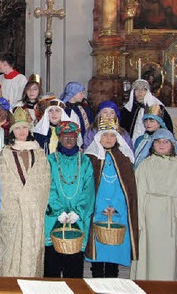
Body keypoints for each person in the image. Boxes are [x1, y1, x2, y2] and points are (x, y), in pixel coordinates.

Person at [0, 107, 50, 277]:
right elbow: (4, 181)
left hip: (33, 209)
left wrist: (31, 199)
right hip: (13, 207)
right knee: (11, 245)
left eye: (24, 127)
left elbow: (43, 181)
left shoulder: (39, 152)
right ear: (12, 131)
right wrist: (19, 198)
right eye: (17, 128)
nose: (21, 131)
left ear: (30, 129)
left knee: (32, 246)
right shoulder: (5, 153)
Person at [84, 119, 138, 278]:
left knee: (113, 256)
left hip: (117, 213)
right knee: (98, 256)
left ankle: (112, 284)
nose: (108, 139)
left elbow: (129, 190)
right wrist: (100, 205)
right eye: (104, 135)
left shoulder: (124, 159)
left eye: (112, 135)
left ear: (117, 138)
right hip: (97, 211)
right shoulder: (90, 158)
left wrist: (115, 206)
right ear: (98, 137)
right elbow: (87, 187)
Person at [43, 122, 95, 278]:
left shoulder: (85, 161)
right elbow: (47, 187)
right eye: (65, 136)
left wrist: (78, 212)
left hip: (77, 219)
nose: (69, 140)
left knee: (73, 264)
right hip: (54, 217)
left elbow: (88, 190)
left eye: (72, 136)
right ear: (59, 137)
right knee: (52, 263)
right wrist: (58, 211)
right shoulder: (50, 161)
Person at [131, 128, 177, 281]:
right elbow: (139, 193)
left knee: (170, 254)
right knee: (150, 252)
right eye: (158, 141)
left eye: (165, 142)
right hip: (150, 215)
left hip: (172, 214)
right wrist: (140, 220)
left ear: (172, 145)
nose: (162, 145)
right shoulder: (145, 165)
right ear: (152, 145)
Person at [120, 79, 173, 143]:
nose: (140, 92)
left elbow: (167, 127)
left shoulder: (157, 107)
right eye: (137, 89)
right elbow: (122, 130)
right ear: (133, 92)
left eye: (143, 89)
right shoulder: (127, 109)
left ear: (147, 91)